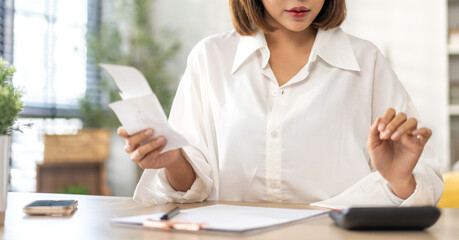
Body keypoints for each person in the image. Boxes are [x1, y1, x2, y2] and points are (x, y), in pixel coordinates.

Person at [117, 0, 444, 208]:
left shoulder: (366, 62)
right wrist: (173, 160)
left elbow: (423, 179)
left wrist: (400, 179)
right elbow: (193, 189)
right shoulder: (210, 58)